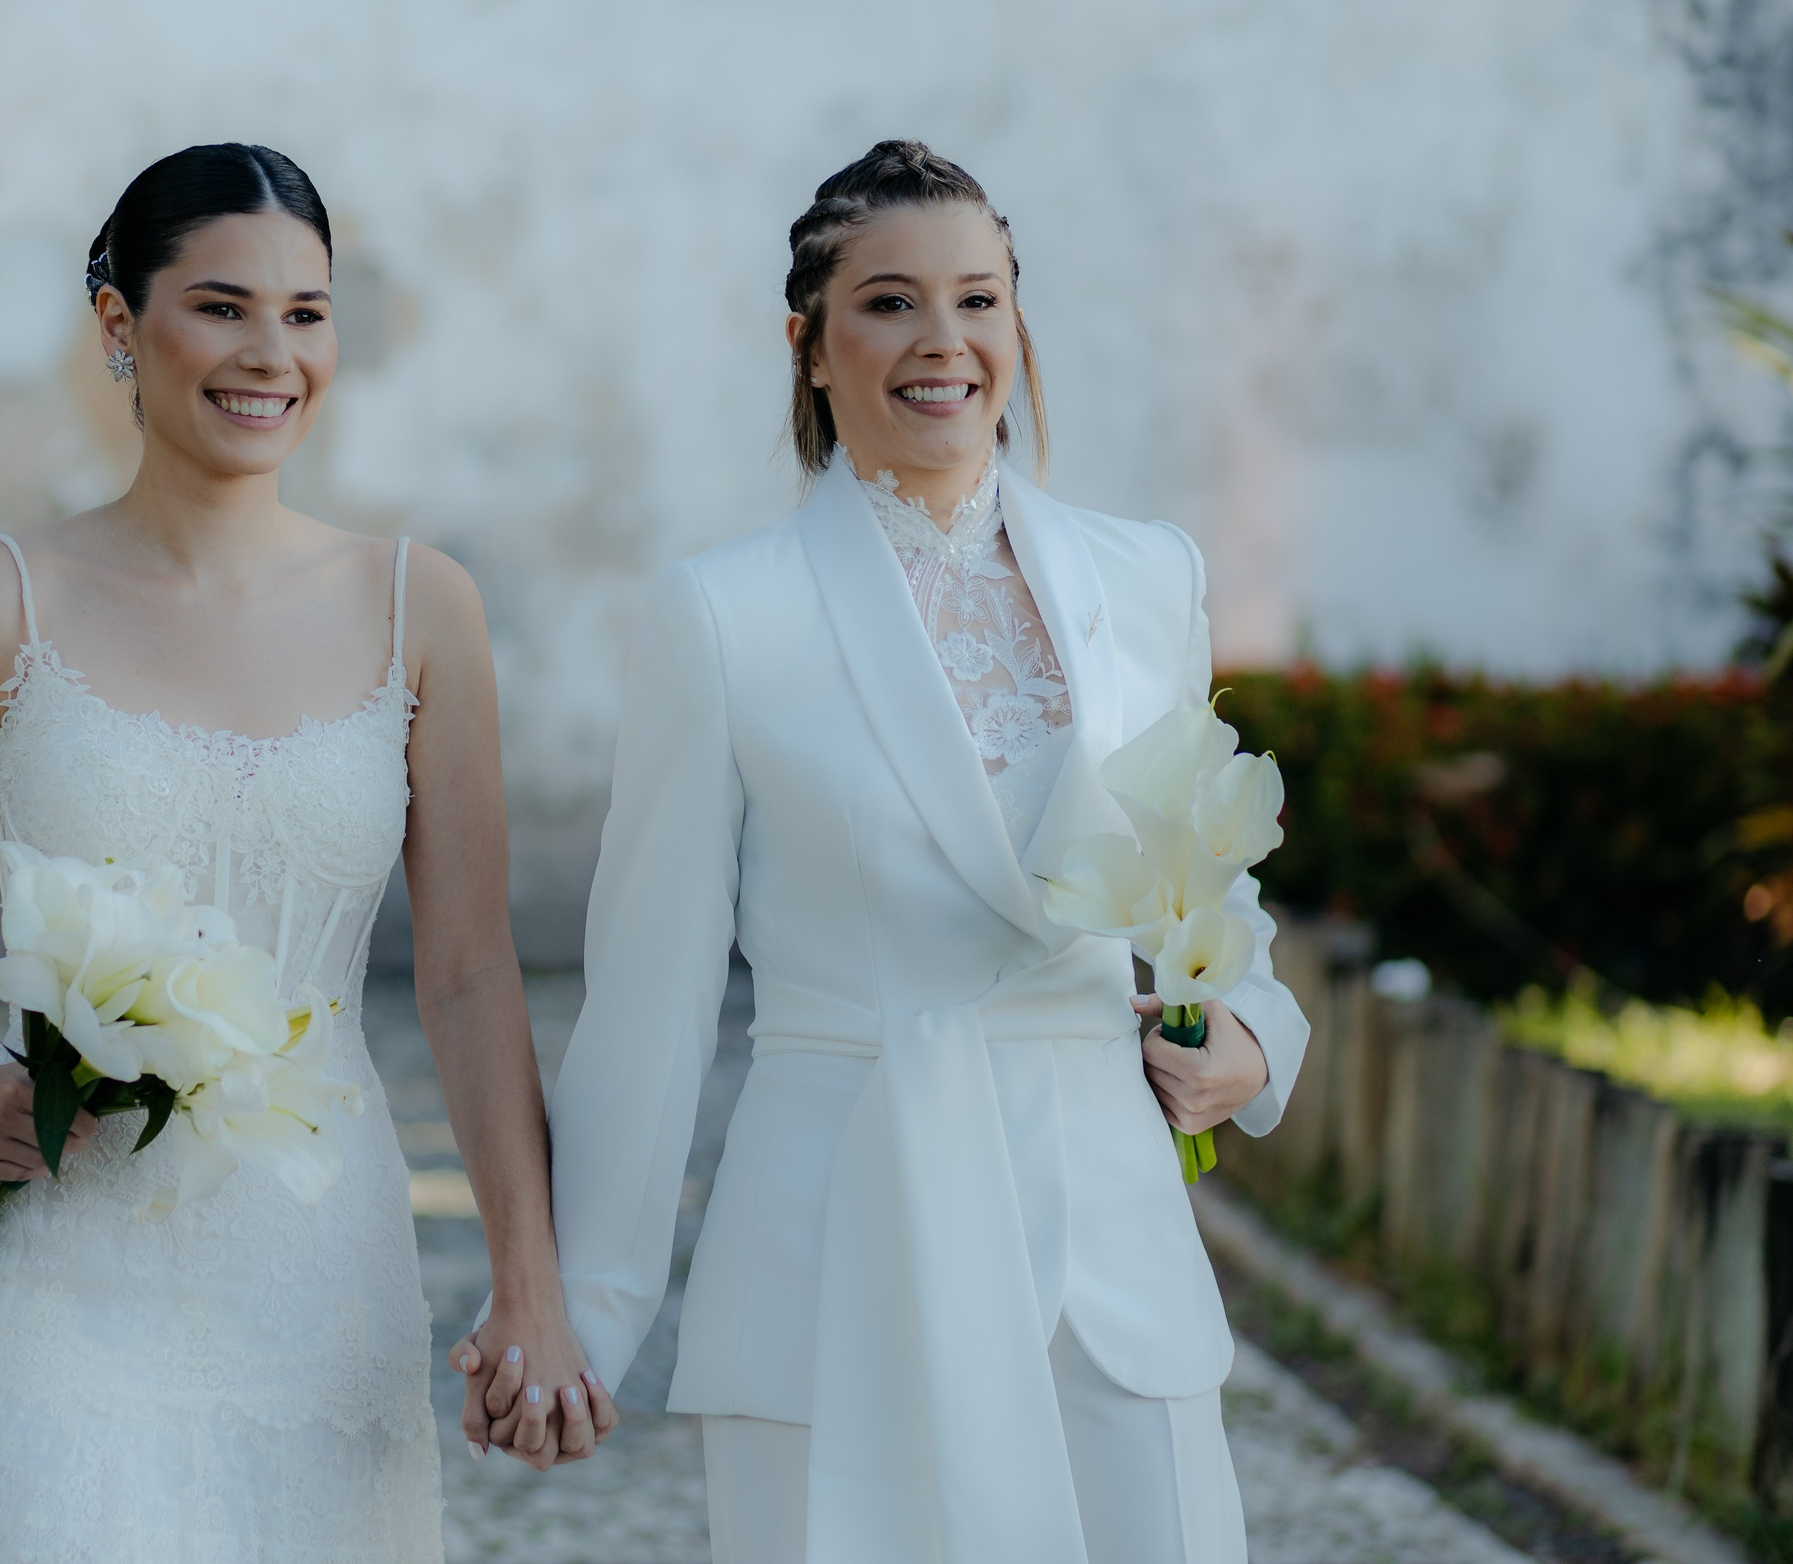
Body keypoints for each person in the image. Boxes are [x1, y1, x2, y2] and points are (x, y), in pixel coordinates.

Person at [0, 143, 612, 1564]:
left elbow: (468, 977)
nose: (270, 354)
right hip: (69, 1270)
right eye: (221, 307)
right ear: (119, 326)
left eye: (307, 312)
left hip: (320, 1272)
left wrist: (530, 1281)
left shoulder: (422, 609)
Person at [483, 141, 1311, 1562]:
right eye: (890, 303)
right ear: (808, 345)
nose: (945, 343)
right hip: (839, 1247)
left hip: (1110, 1265)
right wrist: (581, 1313)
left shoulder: (1147, 576)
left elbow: (1212, 897)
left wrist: (1255, 1039)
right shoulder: (722, 615)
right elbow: (652, 1000)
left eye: (979, 300)